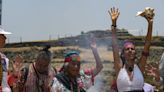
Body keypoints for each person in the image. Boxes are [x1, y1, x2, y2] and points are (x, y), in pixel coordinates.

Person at [108, 7, 154, 92]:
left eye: (132, 49)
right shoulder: (119, 68)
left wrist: (150, 23)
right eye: (127, 49)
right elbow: (114, 47)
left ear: (135, 52)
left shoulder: (139, 67)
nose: (130, 50)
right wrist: (114, 24)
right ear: (123, 53)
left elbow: (147, 45)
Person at [0, 27, 12, 92]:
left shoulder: (4, 59)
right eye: (3, 35)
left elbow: (4, 81)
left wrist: (14, 76)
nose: (5, 38)